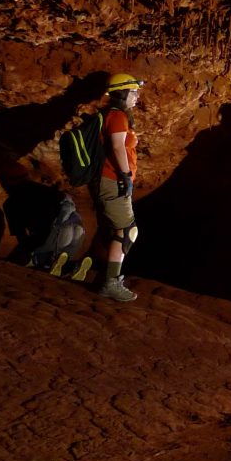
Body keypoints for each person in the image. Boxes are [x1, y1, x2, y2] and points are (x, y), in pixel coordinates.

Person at [93, 72, 144, 302]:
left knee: (119, 230)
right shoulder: (116, 116)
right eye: (134, 92)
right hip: (113, 180)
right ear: (123, 93)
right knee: (127, 230)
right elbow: (117, 148)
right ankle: (110, 283)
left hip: (113, 179)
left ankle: (106, 276)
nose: (137, 96)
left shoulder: (117, 116)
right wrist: (125, 176)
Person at [0, 161, 91, 280]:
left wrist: (16, 257)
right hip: (78, 230)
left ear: (6, 182)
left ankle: (52, 264)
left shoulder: (11, 203)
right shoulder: (46, 191)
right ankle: (71, 266)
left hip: (57, 233)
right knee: (58, 258)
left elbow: (22, 237)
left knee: (35, 257)